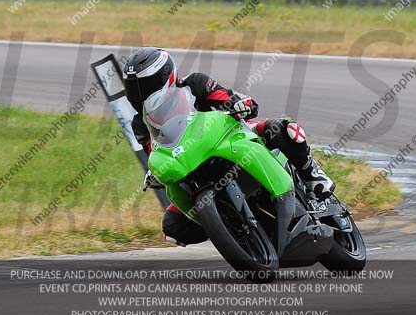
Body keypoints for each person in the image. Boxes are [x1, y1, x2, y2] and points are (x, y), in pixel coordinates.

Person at [122, 47, 335, 247]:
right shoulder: (140, 122)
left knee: (282, 129)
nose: (139, 93)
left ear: (165, 77)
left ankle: (313, 179)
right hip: (192, 170)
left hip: (231, 140)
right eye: (133, 88)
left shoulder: (194, 84)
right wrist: (155, 173)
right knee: (172, 226)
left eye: (145, 85)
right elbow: (157, 152)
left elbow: (225, 98)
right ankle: (235, 234)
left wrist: (240, 105)